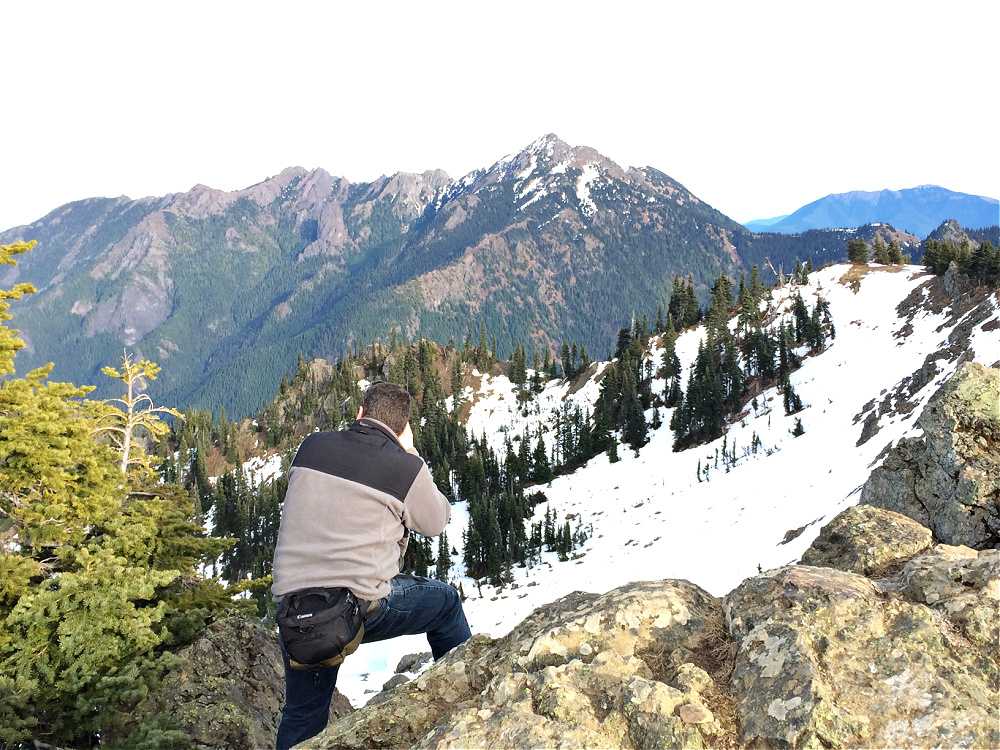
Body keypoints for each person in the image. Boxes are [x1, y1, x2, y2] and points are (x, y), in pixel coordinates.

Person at [272, 381, 471, 749]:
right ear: (402, 429)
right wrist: (411, 453)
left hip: (295, 612)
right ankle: (468, 704)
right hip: (358, 609)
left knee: (302, 715)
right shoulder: (404, 467)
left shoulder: (311, 446)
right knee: (445, 604)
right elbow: (436, 521)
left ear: (360, 413)